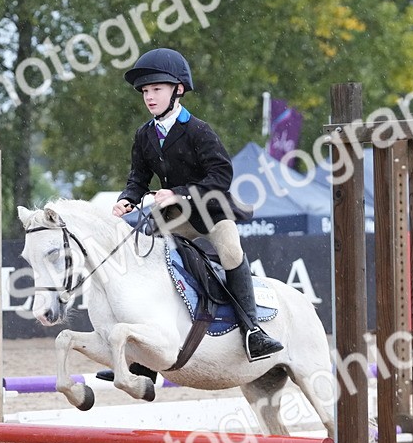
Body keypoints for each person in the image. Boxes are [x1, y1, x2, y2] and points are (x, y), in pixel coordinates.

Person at [112, 48, 284, 362]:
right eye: (146, 92)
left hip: (210, 211)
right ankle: (146, 349)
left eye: (157, 90)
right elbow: (139, 176)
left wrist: (179, 192)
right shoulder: (144, 135)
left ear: (177, 90)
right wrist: (127, 199)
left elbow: (221, 175)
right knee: (145, 256)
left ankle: (252, 330)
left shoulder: (198, 130)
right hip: (175, 216)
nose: (149, 97)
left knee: (231, 251)